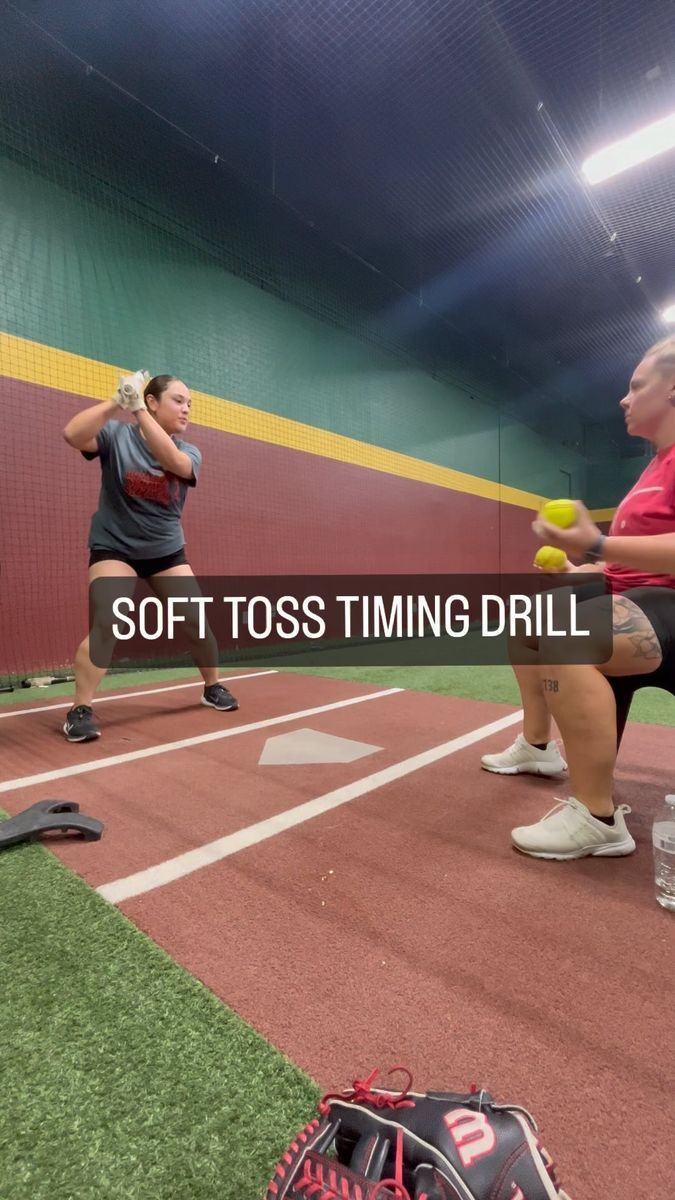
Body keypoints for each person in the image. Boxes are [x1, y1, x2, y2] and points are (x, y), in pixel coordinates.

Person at [481, 334, 675, 859]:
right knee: (527, 629)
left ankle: (597, 818)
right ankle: (538, 748)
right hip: (647, 607)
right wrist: (578, 567)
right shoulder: (655, 467)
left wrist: (594, 541)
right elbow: (629, 563)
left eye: (637, 387)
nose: (624, 398)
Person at [61, 371, 238, 742]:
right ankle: (80, 709)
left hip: (165, 551)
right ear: (153, 401)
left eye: (189, 403)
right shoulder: (115, 436)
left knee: (195, 621)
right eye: (178, 400)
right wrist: (116, 402)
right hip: (115, 546)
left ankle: (212, 686)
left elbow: (174, 462)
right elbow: (72, 434)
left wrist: (137, 410)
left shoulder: (190, 451)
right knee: (108, 620)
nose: (187, 409)